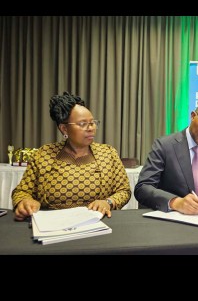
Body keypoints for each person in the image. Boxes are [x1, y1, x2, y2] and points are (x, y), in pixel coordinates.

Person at [12, 91, 131, 221]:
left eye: (93, 122)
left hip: (98, 223)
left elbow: (124, 190)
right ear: (64, 129)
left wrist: (108, 202)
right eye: (82, 123)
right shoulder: (43, 155)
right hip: (52, 225)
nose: (91, 128)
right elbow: (21, 191)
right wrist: (25, 201)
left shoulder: (108, 153)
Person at [134, 99, 198, 215]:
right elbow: (143, 188)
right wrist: (175, 202)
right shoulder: (164, 146)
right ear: (193, 116)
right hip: (170, 223)